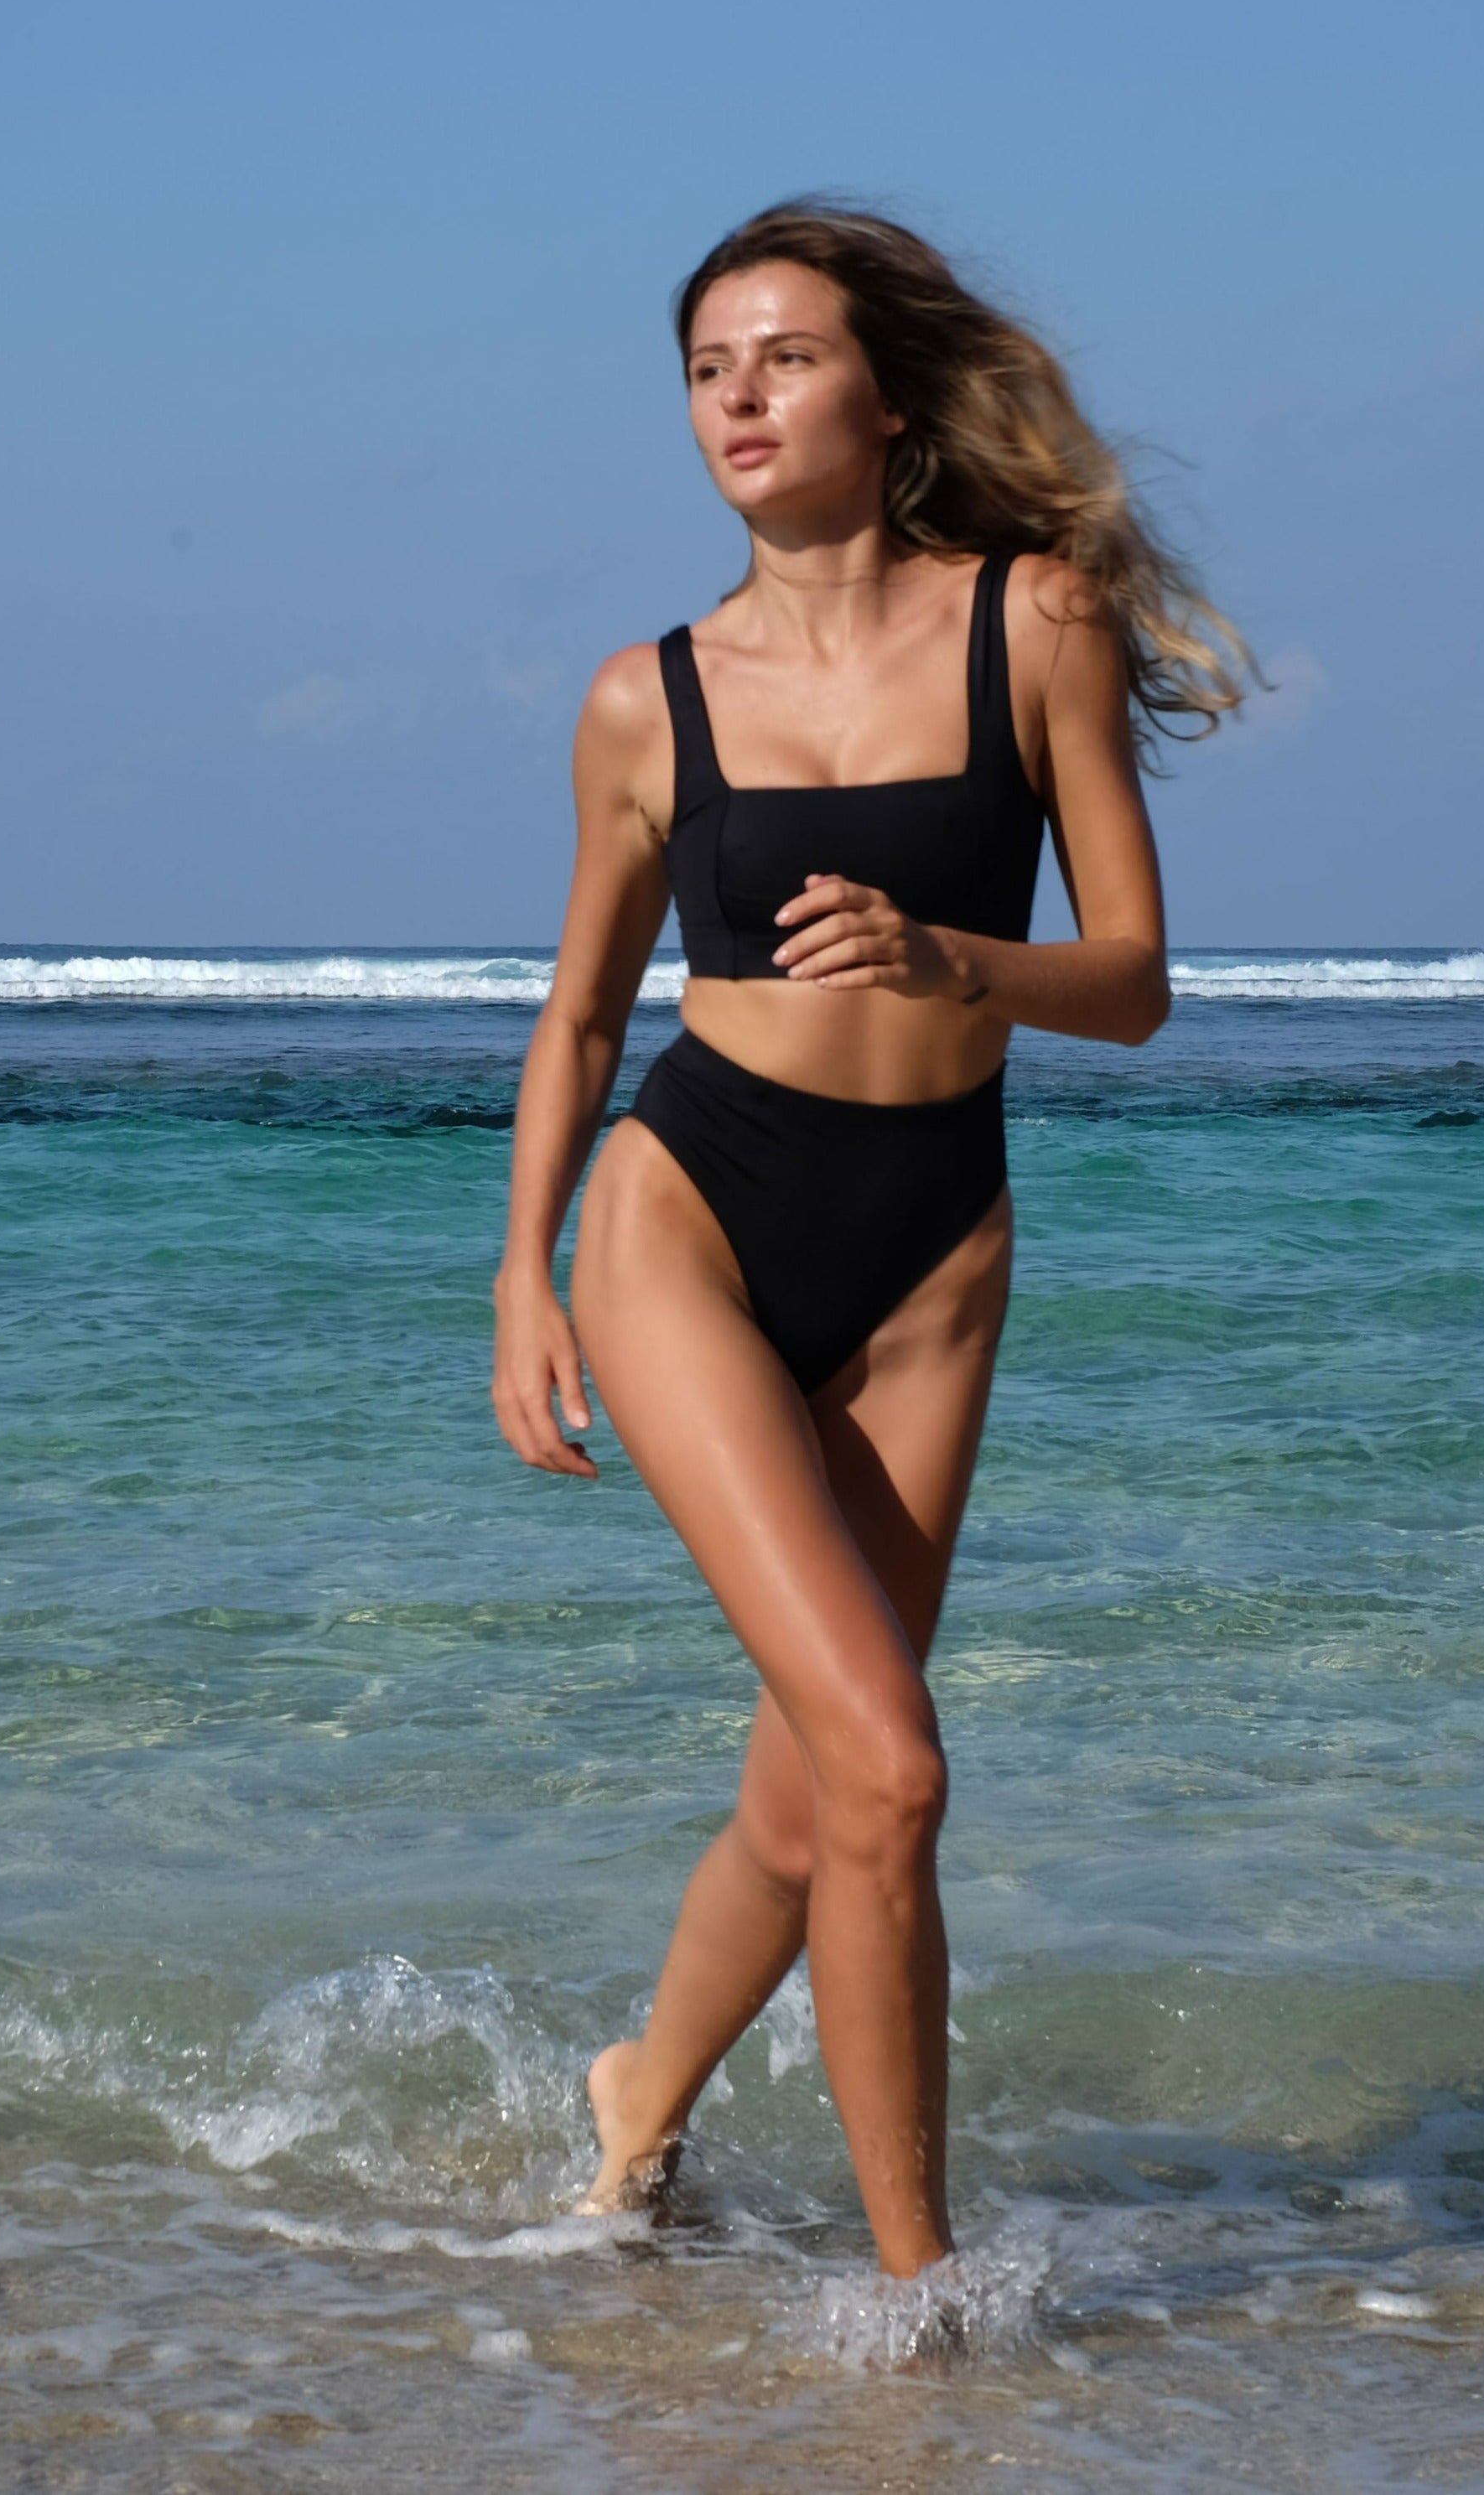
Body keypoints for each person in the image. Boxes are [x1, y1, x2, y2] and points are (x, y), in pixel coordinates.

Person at [490, 200, 1246, 2279]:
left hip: (932, 1254)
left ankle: (642, 2092)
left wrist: (949, 954)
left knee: (820, 1790)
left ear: (888, 397)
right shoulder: (650, 699)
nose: (739, 397)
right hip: (694, 1221)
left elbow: (1139, 981)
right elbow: (575, 1014)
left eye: (785, 357)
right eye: (708, 369)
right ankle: (921, 2306)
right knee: (894, 1770)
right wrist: (517, 1281)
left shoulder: (1039, 624)